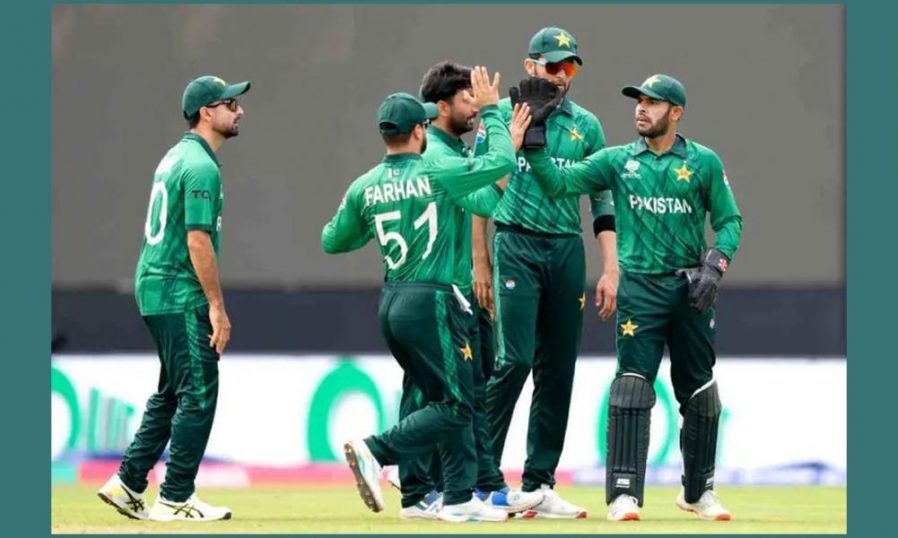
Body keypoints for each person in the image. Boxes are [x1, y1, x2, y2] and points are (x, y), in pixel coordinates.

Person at [518, 73, 742, 521]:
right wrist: (535, 141)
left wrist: (715, 266)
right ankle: (624, 495)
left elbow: (730, 220)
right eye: (638, 101)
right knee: (632, 388)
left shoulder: (703, 162)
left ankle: (699, 492)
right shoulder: (617, 160)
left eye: (652, 102)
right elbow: (558, 183)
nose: (641, 108)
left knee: (700, 391)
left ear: (675, 112)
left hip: (690, 290)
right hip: (640, 289)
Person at [321, 66, 528, 523]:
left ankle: (454, 497)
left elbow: (333, 240)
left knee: (441, 396)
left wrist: (381, 214)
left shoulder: (365, 184)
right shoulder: (437, 169)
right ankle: (376, 451)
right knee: (455, 404)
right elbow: (498, 165)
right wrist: (493, 115)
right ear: (420, 129)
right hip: (434, 297)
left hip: (392, 299)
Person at [473, 26, 618, 519]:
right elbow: (478, 190)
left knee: (557, 369)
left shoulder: (587, 126)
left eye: (569, 66)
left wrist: (610, 267)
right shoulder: (499, 116)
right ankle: (480, 477)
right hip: (514, 242)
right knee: (513, 360)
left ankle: (539, 482)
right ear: (530, 65)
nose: (561, 75)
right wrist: (480, 261)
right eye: (553, 65)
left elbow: (601, 200)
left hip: (565, 248)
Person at [391, 60, 543, 520]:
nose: (474, 106)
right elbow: (493, 175)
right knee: (429, 391)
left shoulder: (450, 149)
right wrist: (496, 120)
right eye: (466, 99)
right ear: (441, 107)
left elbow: (486, 196)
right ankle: (416, 486)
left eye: (477, 100)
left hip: (455, 290)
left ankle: (485, 484)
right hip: (433, 291)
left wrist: (503, 147)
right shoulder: (436, 154)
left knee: (473, 389)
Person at [97, 75, 251, 522]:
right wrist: (217, 307)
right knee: (199, 393)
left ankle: (128, 482)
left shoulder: (176, 156)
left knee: (172, 392)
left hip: (156, 285)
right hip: (177, 290)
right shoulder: (201, 166)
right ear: (206, 112)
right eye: (230, 104)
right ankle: (176, 496)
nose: (239, 111)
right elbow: (197, 240)